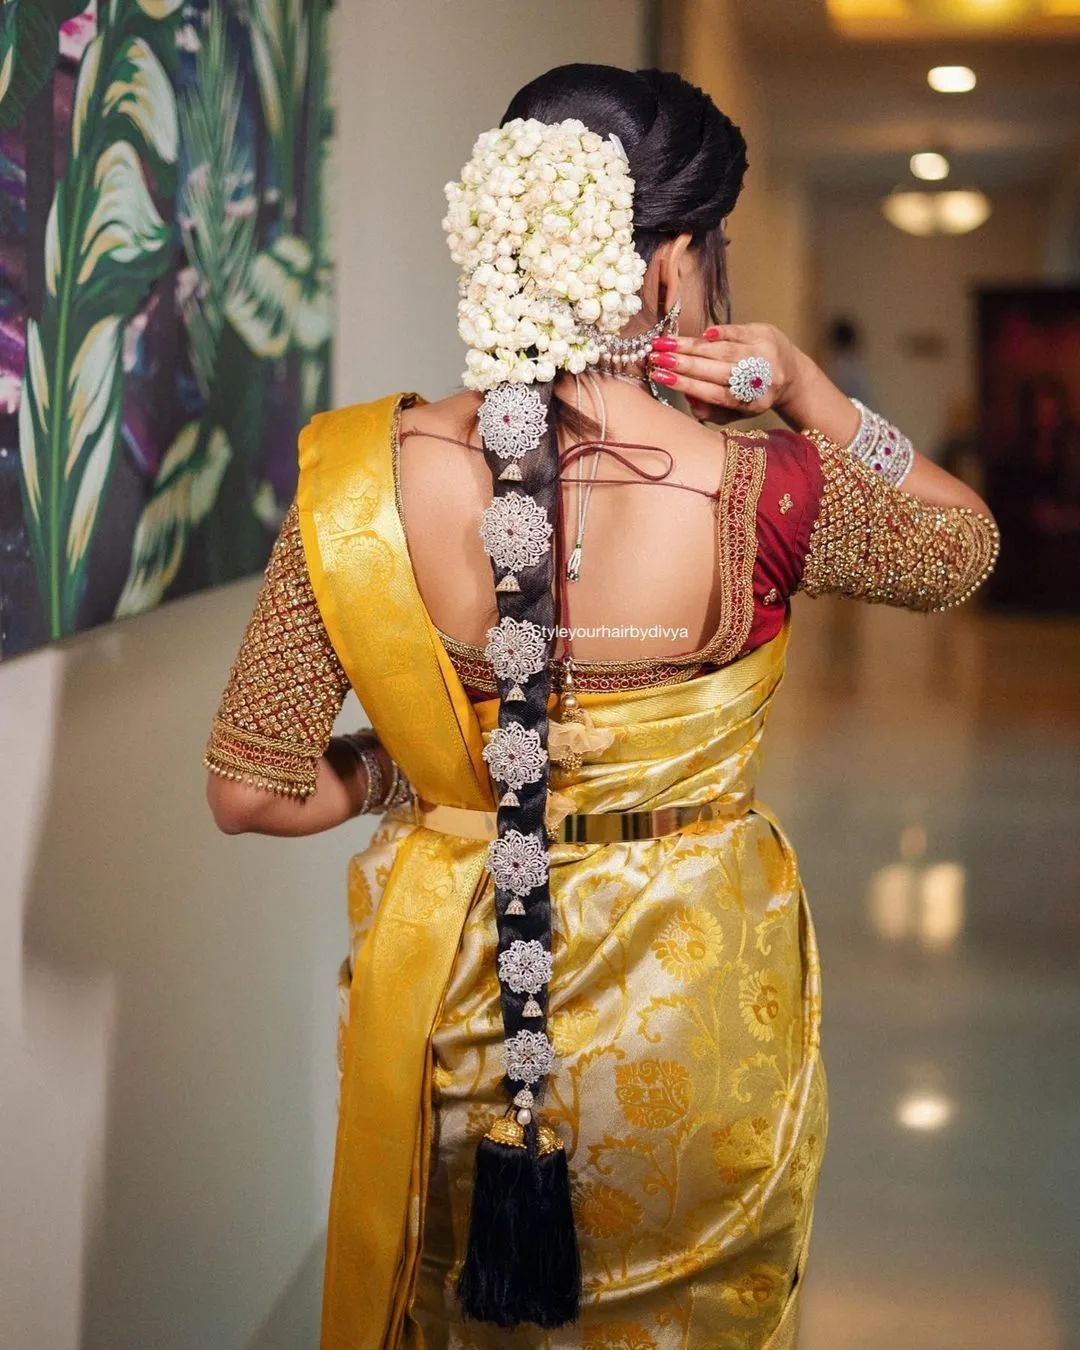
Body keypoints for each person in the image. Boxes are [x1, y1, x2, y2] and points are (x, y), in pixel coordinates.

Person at [202, 64, 1000, 1350]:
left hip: (450, 1025)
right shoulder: (771, 484)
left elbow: (254, 791)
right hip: (697, 1033)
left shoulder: (363, 479)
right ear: (670, 264)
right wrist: (815, 395)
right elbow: (964, 547)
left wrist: (433, 771)